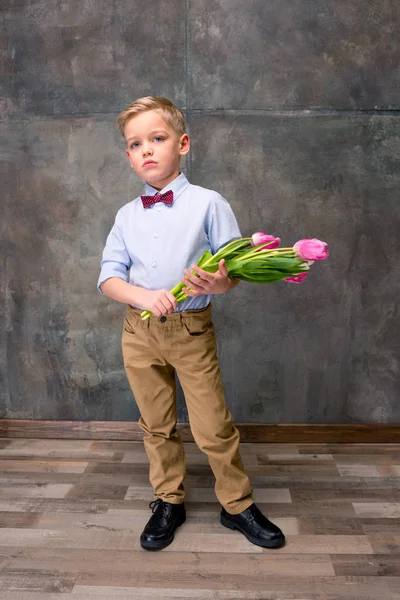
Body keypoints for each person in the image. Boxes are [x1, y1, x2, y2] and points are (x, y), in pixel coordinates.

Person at [97, 96, 285, 551]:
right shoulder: (125, 216)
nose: (146, 150)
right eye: (135, 143)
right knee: (155, 423)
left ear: (182, 144)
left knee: (212, 425)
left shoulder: (209, 203)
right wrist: (143, 296)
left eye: (156, 139)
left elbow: (232, 273)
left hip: (190, 331)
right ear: (127, 155)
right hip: (138, 334)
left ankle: (236, 505)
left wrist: (217, 283)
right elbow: (107, 277)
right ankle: (168, 500)